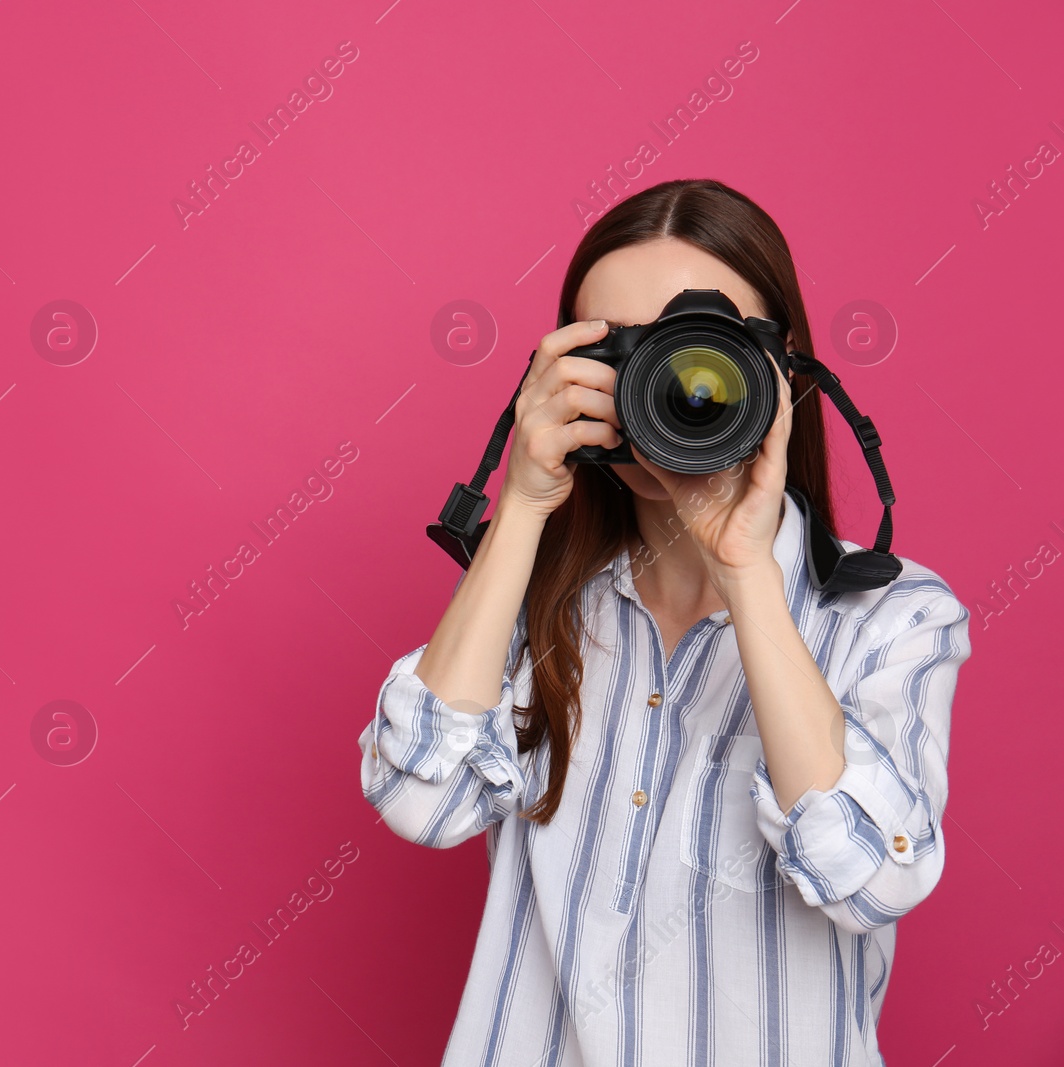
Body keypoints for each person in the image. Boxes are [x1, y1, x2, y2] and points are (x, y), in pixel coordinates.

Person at [358, 178, 972, 1065]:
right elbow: (420, 799)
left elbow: (874, 877)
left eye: (702, 348)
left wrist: (747, 566)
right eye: (623, 353)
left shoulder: (895, 618)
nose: (672, 384)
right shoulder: (536, 607)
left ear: (781, 371)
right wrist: (524, 504)